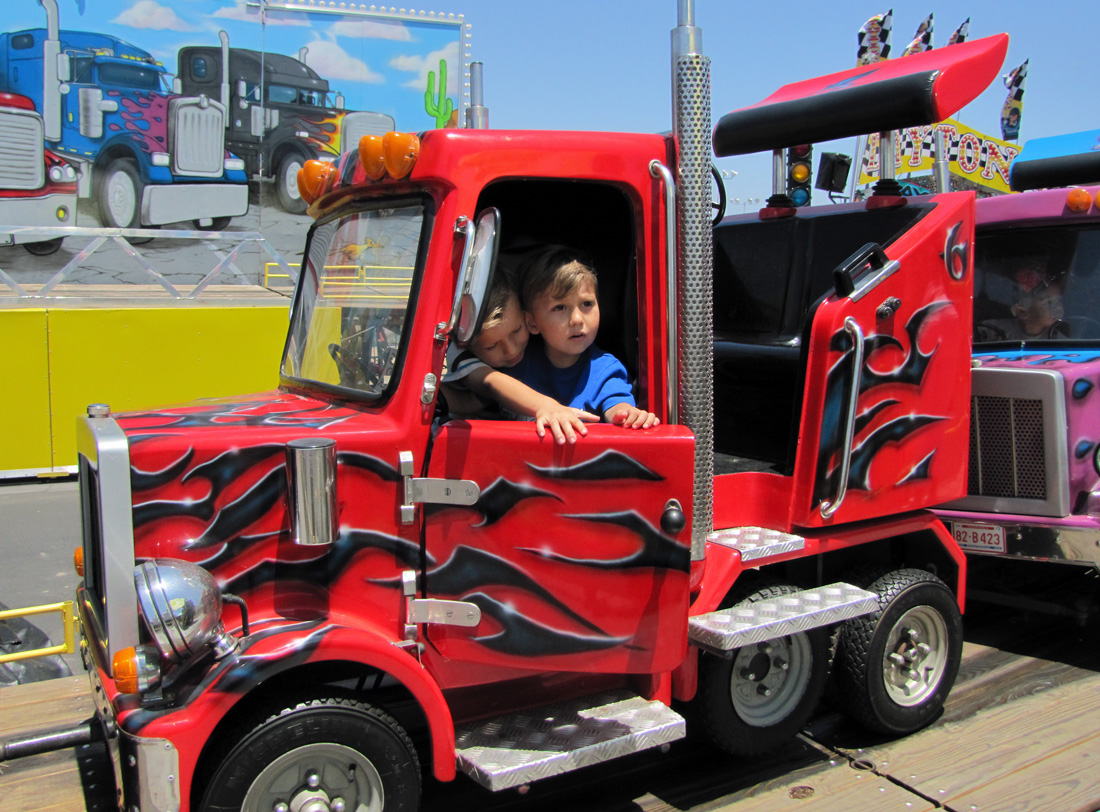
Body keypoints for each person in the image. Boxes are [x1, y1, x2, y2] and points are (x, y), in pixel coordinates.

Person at [441, 265, 600, 444]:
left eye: (516, 330)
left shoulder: (538, 349)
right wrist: (545, 406)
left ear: (527, 318)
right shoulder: (457, 352)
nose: (511, 350)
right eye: (492, 346)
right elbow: (489, 383)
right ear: (467, 345)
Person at [508, 247, 659, 429]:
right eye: (560, 308)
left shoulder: (606, 370)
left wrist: (629, 415)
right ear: (532, 323)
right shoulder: (515, 362)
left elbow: (617, 405)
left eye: (586, 304)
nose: (577, 319)